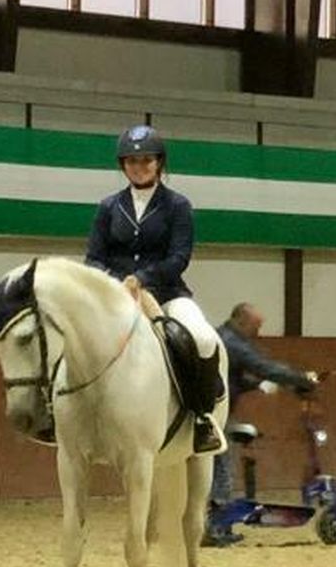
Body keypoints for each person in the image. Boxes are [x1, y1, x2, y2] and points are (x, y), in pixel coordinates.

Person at [84, 123, 225, 453]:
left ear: (159, 163)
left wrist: (142, 279)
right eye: (132, 162)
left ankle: (203, 418)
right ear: (123, 166)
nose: (139, 166)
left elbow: (179, 257)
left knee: (202, 338)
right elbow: (93, 257)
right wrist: (116, 283)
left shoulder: (178, 206)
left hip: (166, 294)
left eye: (146, 160)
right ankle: (63, 416)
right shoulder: (108, 207)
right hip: (116, 297)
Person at [205, 302, 318, 534]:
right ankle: (217, 524)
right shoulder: (232, 341)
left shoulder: (224, 337)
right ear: (242, 321)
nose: (258, 333)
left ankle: (215, 519)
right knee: (222, 465)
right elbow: (263, 365)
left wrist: (257, 384)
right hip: (215, 413)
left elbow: (231, 378)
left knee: (218, 464)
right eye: (256, 327)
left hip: (213, 409)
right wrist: (303, 379)